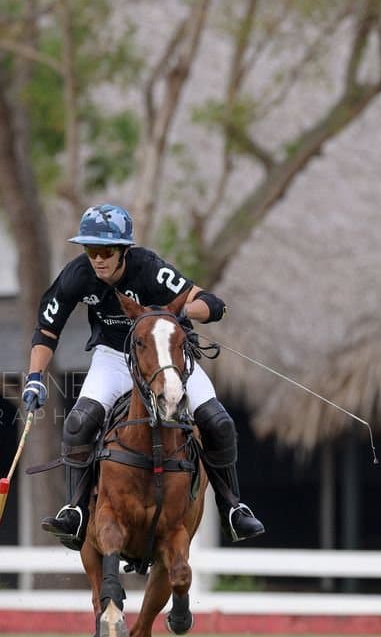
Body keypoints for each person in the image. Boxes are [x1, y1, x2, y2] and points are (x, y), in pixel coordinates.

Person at [22, 203, 265, 550]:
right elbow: (47, 329)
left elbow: (212, 304)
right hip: (114, 358)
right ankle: (75, 511)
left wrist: (179, 310)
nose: (98, 259)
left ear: (123, 251)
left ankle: (232, 508)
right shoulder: (77, 275)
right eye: (91, 250)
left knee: (218, 422)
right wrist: (34, 377)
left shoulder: (149, 269)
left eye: (106, 251)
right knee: (77, 423)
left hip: (168, 360)